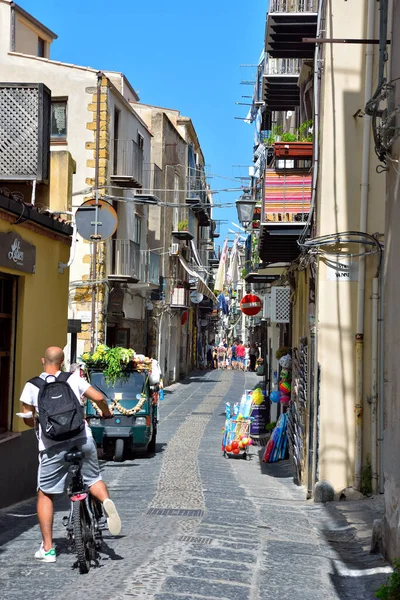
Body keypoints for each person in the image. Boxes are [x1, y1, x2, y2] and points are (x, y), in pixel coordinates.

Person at [20, 346, 121, 563]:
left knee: (46, 494)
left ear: (42, 361)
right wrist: (105, 412)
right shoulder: (73, 379)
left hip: (52, 446)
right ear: (63, 362)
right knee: (94, 478)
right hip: (81, 440)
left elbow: (27, 418)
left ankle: (47, 549)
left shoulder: (32, 385)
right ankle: (104, 502)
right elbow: (98, 398)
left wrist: (36, 420)